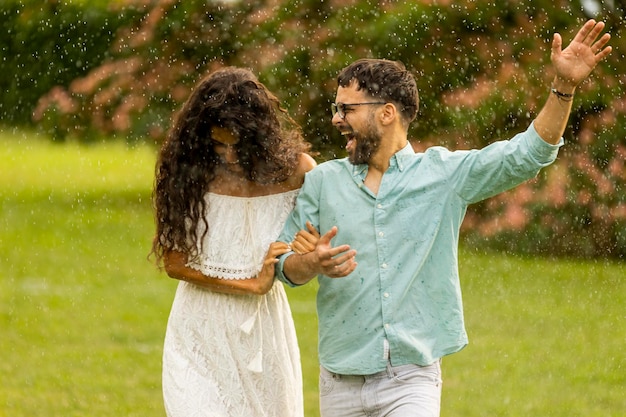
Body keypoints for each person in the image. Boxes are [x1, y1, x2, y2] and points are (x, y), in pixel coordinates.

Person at [275, 19, 612, 417]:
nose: (336, 118)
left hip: (410, 381)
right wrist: (309, 263)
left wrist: (564, 88)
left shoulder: (443, 176)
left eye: (346, 109)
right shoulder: (322, 182)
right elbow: (282, 264)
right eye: (336, 109)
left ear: (386, 113)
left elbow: (527, 154)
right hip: (340, 382)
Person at [151, 67, 317, 417]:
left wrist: (308, 251)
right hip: (198, 332)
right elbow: (174, 263)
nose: (226, 154)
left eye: (236, 145)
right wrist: (248, 284)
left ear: (260, 137)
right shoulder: (188, 172)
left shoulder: (299, 172)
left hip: (263, 333)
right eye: (217, 143)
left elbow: (312, 246)